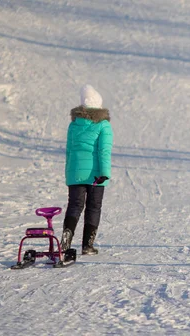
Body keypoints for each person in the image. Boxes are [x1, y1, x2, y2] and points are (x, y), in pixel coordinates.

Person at [60, 84, 113, 256]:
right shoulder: (103, 125)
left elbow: (69, 151)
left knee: (74, 206)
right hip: (96, 174)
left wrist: (69, 173)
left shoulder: (74, 125)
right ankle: (87, 245)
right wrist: (105, 173)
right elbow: (104, 151)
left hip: (75, 173)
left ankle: (66, 239)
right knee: (93, 207)